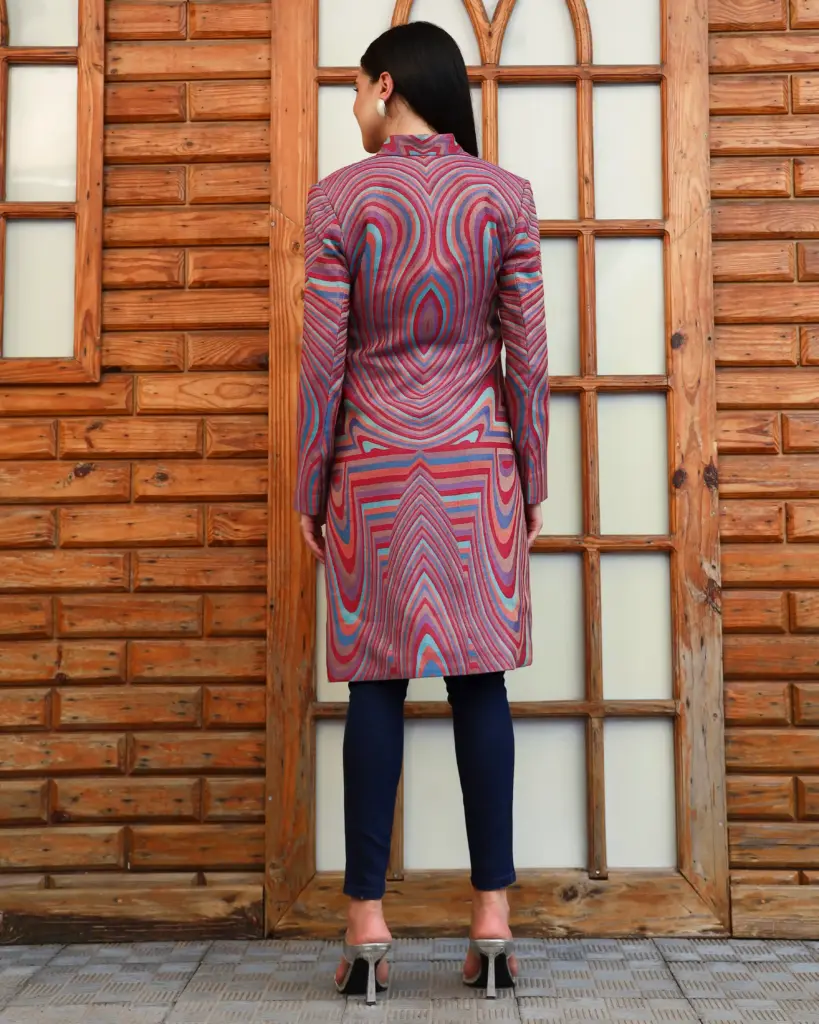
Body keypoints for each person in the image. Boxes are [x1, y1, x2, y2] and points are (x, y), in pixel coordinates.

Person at [295, 20, 549, 1005]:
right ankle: (492, 916)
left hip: (374, 468)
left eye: (356, 90)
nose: (353, 108)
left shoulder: (339, 199)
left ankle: (367, 921)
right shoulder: (504, 196)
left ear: (385, 86)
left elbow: (324, 364)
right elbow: (527, 360)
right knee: (482, 686)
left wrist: (312, 483)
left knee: (375, 688)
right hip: (476, 466)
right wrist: (530, 478)